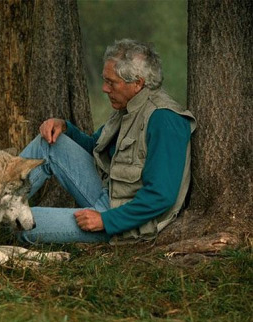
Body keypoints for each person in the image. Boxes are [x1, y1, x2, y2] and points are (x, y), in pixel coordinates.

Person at [18, 39, 196, 245]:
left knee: (26, 223)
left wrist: (106, 220)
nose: (104, 88)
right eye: (105, 80)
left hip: (123, 220)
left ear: (137, 83)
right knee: (47, 143)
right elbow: (96, 147)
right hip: (107, 192)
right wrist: (65, 128)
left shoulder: (164, 119)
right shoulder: (129, 106)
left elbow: (161, 196)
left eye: (111, 82)